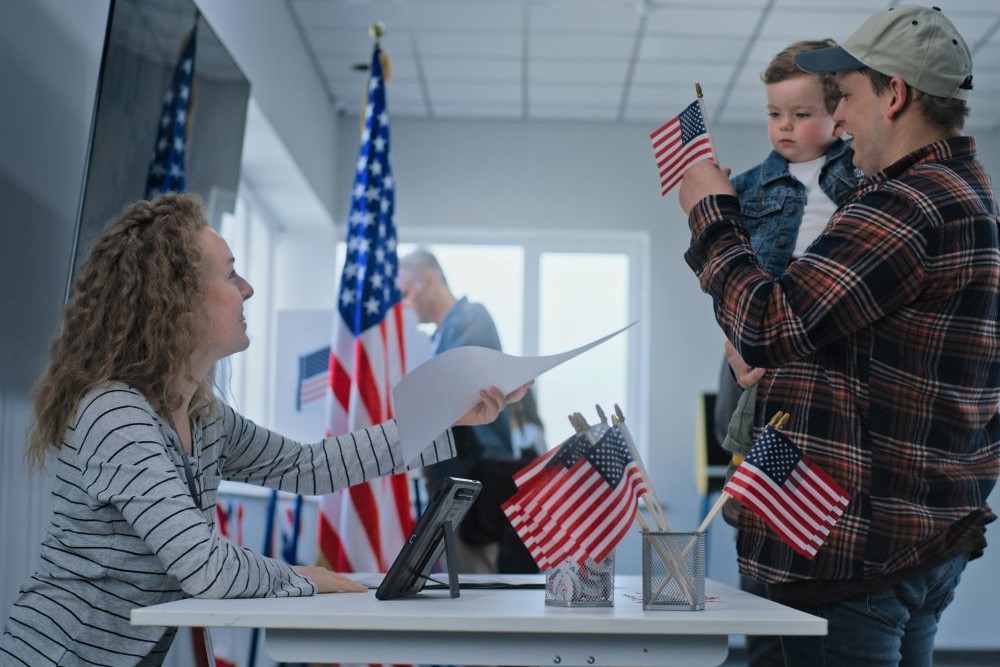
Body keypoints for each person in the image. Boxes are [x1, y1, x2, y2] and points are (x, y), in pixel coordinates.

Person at [0, 194, 528, 667]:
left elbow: (309, 467)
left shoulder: (203, 416)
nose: (248, 287)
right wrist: (302, 578)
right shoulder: (115, 415)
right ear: (176, 299)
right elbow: (204, 567)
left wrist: (448, 416)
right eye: (230, 275)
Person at [680, 6, 999, 666]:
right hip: (919, 542)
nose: (840, 117)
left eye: (847, 97)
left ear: (895, 94)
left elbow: (769, 323)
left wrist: (711, 214)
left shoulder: (907, 203)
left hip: (859, 557)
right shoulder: (965, 192)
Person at [712, 38, 860, 667]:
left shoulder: (868, 181)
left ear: (839, 114)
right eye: (775, 114)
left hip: (825, 367)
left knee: (823, 520)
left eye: (801, 114)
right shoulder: (747, 186)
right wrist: (733, 335)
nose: (785, 128)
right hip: (755, 364)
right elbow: (725, 275)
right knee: (759, 508)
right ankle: (767, 639)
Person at [398, 248, 515, 574]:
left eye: (406, 292)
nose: (405, 304)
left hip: (474, 479)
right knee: (455, 577)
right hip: (451, 478)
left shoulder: (471, 318)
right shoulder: (438, 336)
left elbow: (452, 389)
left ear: (430, 279)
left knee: (474, 582)